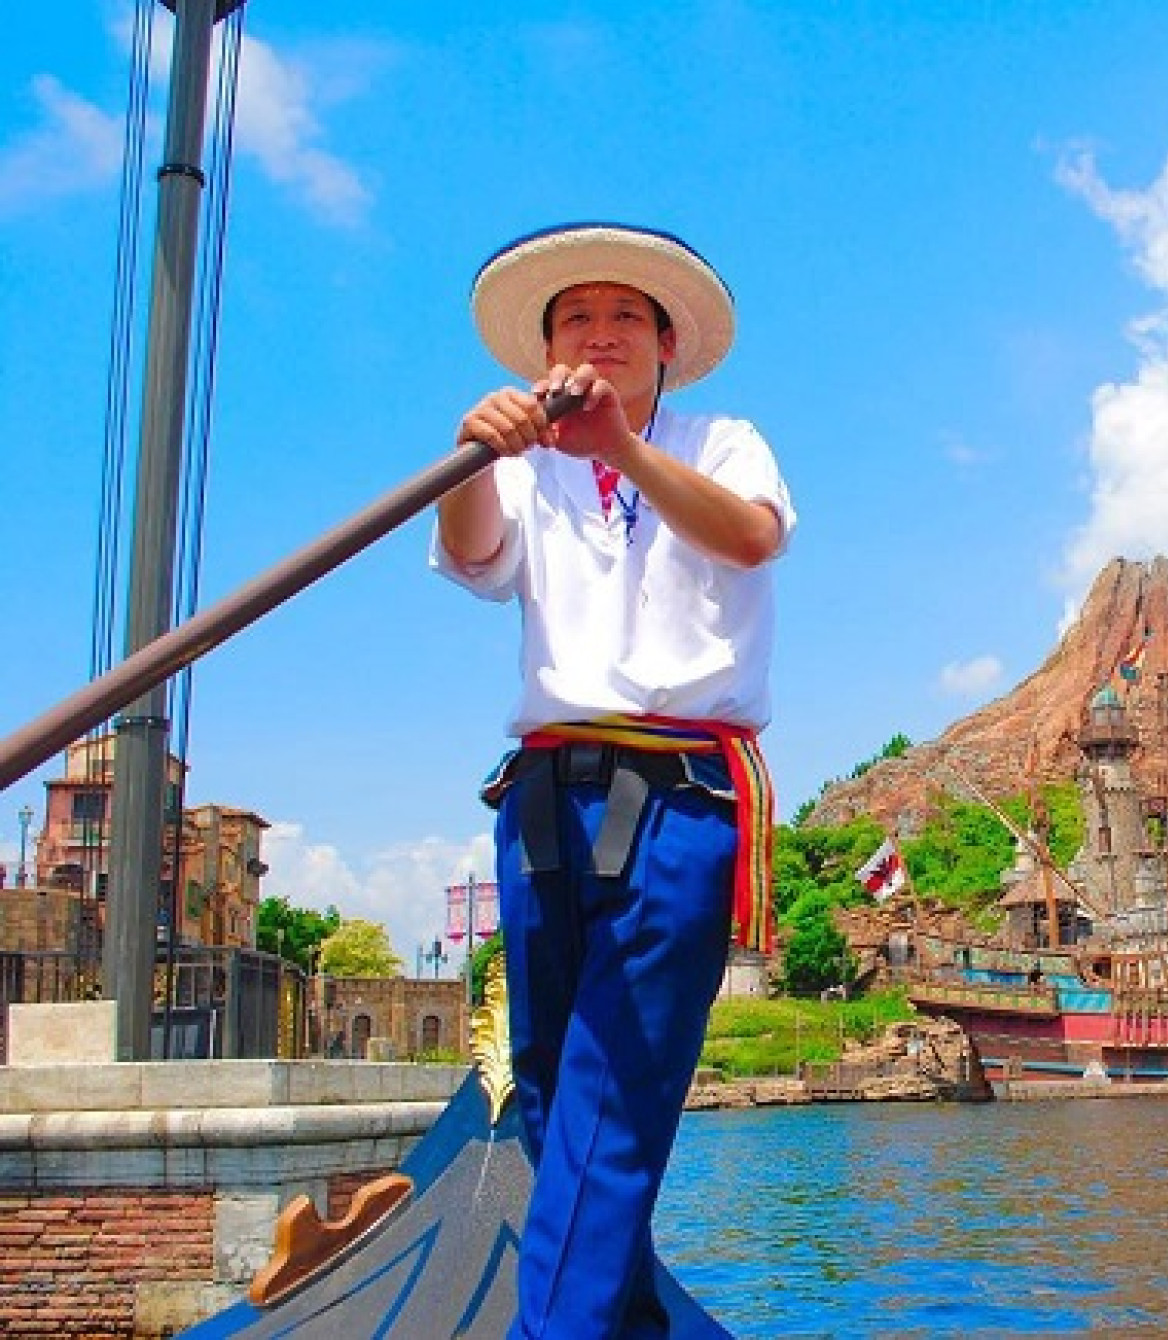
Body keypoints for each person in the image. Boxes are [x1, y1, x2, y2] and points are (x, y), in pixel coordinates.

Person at [433, 222, 794, 1338]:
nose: (602, 335)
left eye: (625, 318)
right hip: (544, 797)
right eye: (577, 320)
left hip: (678, 792)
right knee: (549, 1090)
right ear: (544, 352)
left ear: (665, 346)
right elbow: (472, 559)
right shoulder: (521, 466)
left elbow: (748, 538)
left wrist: (619, 449)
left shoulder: (719, 439)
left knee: (610, 1096)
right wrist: (477, 451)